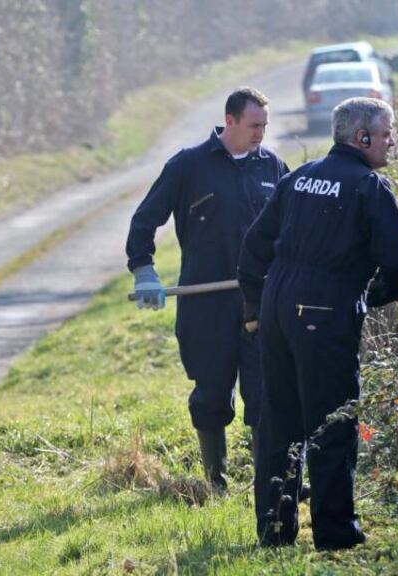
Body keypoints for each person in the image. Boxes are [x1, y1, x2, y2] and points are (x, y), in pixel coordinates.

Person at [238, 97, 398, 550]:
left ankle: (275, 533)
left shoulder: (298, 178)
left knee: (280, 424)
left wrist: (256, 313)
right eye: (388, 132)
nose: (392, 141)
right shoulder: (370, 188)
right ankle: (336, 535)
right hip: (324, 317)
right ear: (363, 138)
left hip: (276, 311)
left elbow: (253, 248)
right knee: (332, 424)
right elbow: (397, 262)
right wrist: (375, 294)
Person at [126, 88, 289, 491]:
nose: (260, 134)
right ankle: (216, 481)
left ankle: (270, 478)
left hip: (260, 303)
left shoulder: (274, 168)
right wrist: (144, 268)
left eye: (265, 126)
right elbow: (144, 221)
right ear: (229, 121)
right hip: (206, 304)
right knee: (212, 395)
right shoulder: (188, 166)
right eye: (254, 125)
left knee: (265, 392)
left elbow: (294, 229)